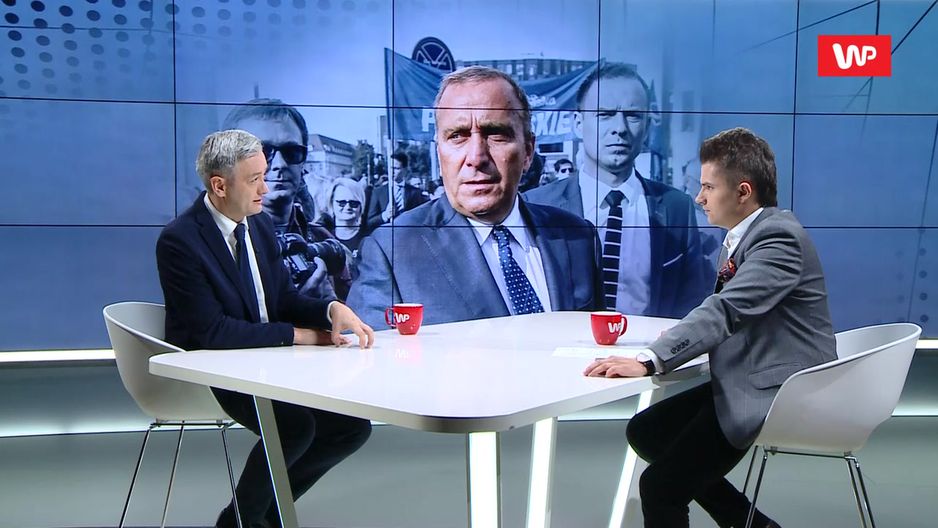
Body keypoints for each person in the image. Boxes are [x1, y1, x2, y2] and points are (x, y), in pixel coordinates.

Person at [584, 127, 836, 528]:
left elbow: (725, 310)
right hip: (753, 373)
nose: (699, 197)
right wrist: (681, 339)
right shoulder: (748, 235)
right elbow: (732, 312)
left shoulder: (778, 238)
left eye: (708, 187)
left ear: (743, 192)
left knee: (660, 487)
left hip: (780, 390)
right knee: (648, 432)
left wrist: (649, 360)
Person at [156, 130, 376, 528]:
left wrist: (331, 309)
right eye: (255, 179)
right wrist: (298, 335)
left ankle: (263, 513)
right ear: (219, 186)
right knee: (295, 427)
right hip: (213, 369)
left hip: (267, 363)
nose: (266, 187)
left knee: (351, 428)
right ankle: (240, 520)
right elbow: (213, 334)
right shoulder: (180, 241)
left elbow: (282, 299)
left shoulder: (258, 225)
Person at [347, 66, 601, 329]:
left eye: (496, 134)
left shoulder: (578, 238)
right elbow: (367, 352)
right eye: (457, 136)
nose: (476, 157)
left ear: (527, 152)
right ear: (439, 153)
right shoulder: (392, 251)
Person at [524, 63, 709, 319]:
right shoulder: (537, 206)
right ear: (578, 123)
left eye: (633, 116)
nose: (620, 128)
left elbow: (693, 304)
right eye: (605, 114)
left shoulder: (676, 207)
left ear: (647, 126)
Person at [223, 99, 350, 300]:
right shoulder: (205, 244)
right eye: (261, 152)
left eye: (292, 152)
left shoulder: (322, 240)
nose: (280, 164)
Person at [363, 151, 428, 233]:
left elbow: (422, 219)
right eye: (390, 168)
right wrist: (384, 216)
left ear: (405, 170)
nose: (392, 172)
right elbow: (369, 222)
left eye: (396, 168)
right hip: (386, 236)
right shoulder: (378, 192)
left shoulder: (415, 192)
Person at [317, 177, 368, 279]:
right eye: (341, 203)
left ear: (361, 206)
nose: (347, 207)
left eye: (353, 203)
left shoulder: (369, 239)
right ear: (331, 203)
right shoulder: (321, 238)